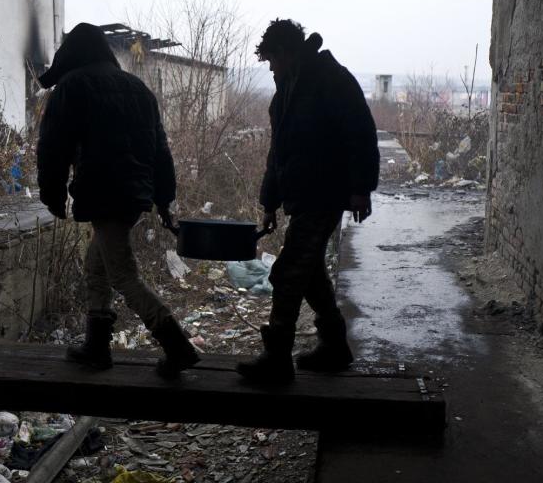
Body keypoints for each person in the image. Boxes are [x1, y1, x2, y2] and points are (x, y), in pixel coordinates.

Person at [37, 22, 200, 378]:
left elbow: (53, 147)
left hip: (103, 193)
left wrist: (52, 194)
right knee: (96, 265)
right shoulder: (138, 88)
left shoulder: (72, 87)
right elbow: (161, 150)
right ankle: (97, 346)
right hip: (133, 196)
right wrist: (164, 199)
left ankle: (177, 346)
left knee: (123, 275)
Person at [236, 19, 380, 384]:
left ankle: (277, 357)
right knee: (310, 272)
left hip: (325, 193)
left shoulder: (330, 79)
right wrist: (269, 203)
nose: (270, 69)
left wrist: (361, 188)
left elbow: (361, 132)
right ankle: (333, 346)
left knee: (287, 271)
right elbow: (277, 154)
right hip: (302, 195)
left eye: (272, 60)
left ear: (286, 53)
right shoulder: (284, 94)